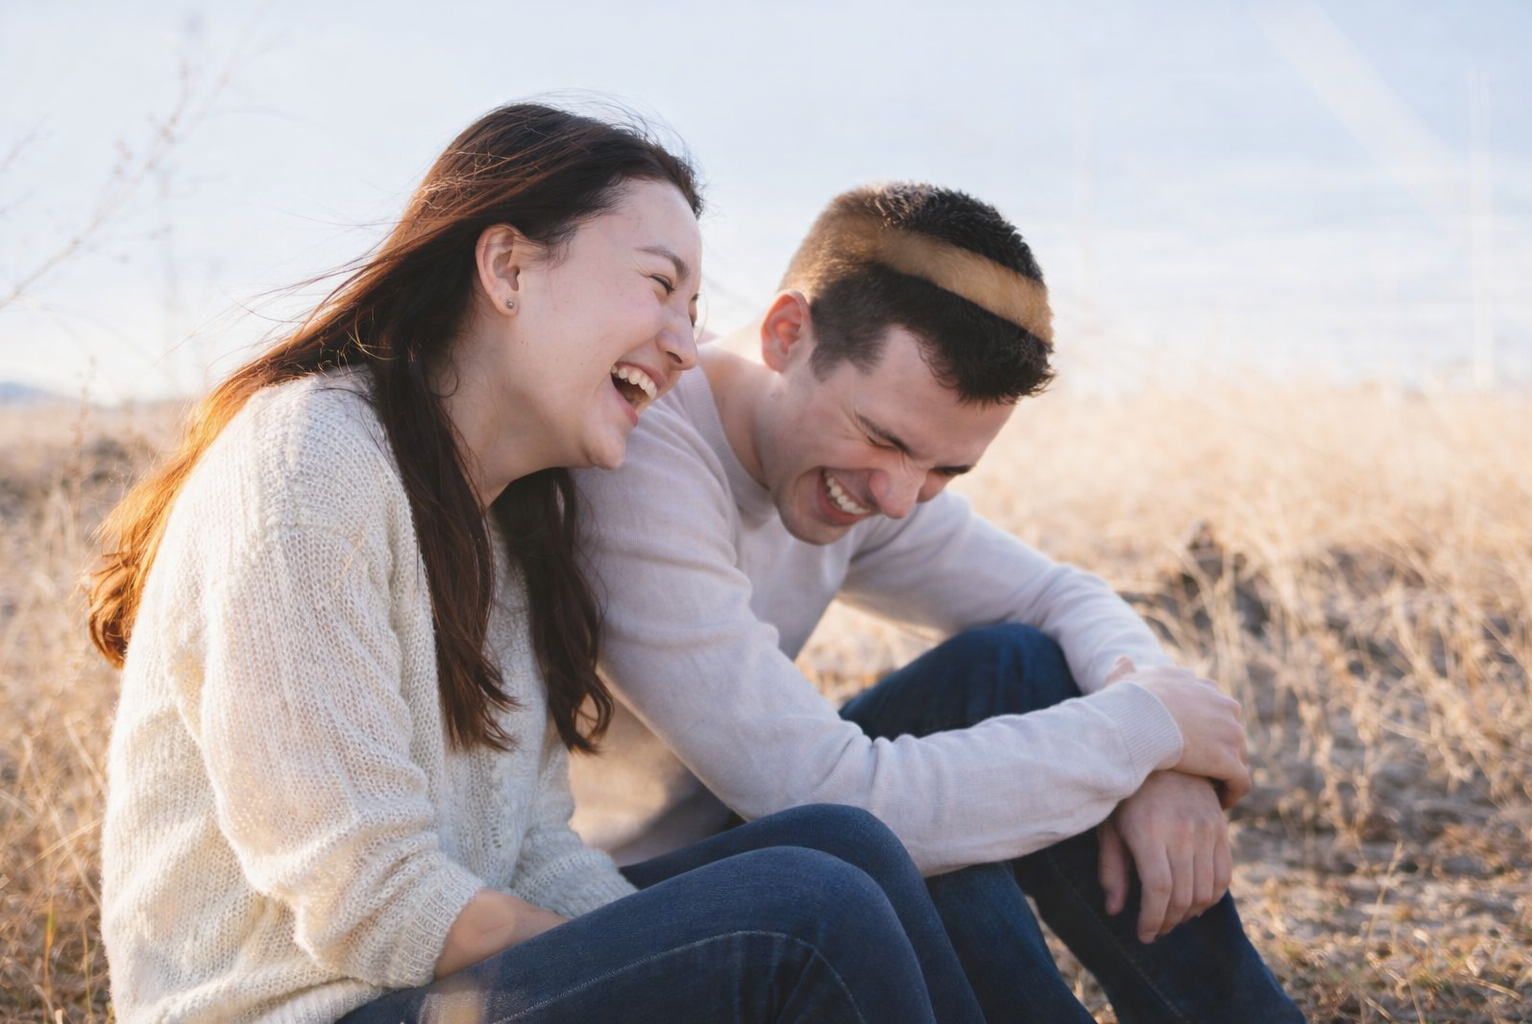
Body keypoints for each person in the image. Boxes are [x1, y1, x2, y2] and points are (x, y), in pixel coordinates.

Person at [89, 107, 985, 1024]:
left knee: (847, 850)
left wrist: (671, 957)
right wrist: (676, 964)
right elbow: (364, 892)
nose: (684, 344)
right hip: (305, 1008)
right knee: (807, 913)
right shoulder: (309, 462)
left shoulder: (509, 527)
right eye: (657, 284)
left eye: (694, 310)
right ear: (508, 268)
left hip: (431, 989)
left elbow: (533, 848)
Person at [570, 181, 1306, 1022]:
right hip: (616, 908)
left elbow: (1057, 595)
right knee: (890, 839)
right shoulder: (644, 453)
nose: (896, 497)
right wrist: (1140, 731)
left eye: (946, 471)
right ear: (786, 334)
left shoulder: (861, 472)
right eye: (883, 438)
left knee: (1015, 665)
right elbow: (823, 793)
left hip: (765, 834)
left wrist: (1161, 745)